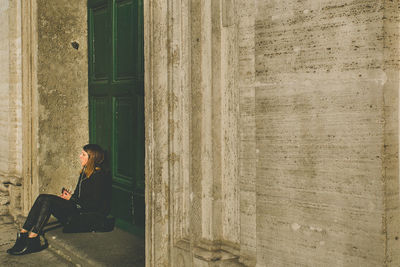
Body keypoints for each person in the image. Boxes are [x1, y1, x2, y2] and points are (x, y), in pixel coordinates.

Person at [7, 144, 110, 255]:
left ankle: (33, 238)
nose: (80, 156)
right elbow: (78, 196)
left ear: (92, 158)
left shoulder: (99, 176)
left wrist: (72, 199)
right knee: (42, 197)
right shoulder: (85, 172)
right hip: (77, 210)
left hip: (86, 218)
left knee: (47, 201)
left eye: (83, 154)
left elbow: (94, 205)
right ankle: (23, 234)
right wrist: (69, 197)